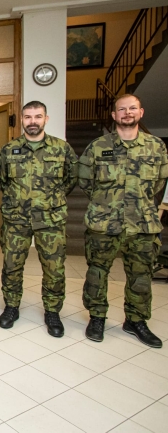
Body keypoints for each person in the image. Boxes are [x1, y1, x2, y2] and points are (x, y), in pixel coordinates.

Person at [79, 94, 168, 348]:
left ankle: (136, 321)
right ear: (114, 115)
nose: (127, 113)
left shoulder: (156, 146)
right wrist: (105, 203)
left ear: (141, 112)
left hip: (142, 224)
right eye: (122, 109)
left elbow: (159, 183)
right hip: (104, 223)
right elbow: (85, 181)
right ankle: (97, 318)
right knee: (97, 272)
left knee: (141, 275)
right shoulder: (98, 146)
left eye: (132, 108)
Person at [0, 101, 78, 337]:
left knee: (54, 268)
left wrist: (50, 200)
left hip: (50, 220)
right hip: (16, 219)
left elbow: (71, 179)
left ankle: (52, 312)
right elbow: (0, 181)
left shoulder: (61, 149)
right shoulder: (8, 150)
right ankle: (11, 307)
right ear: (22, 120)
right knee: (12, 266)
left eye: (38, 116)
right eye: (28, 117)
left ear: (45, 119)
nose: (33, 121)